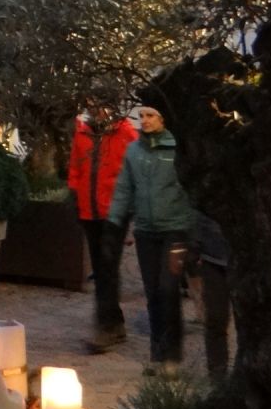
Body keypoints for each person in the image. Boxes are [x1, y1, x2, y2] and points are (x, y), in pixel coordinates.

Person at [105, 95, 196, 375]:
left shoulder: (177, 148)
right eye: (141, 115)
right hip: (146, 231)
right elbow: (124, 188)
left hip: (175, 230)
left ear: (163, 118)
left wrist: (193, 225)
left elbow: (191, 188)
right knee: (153, 294)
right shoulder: (134, 151)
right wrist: (114, 222)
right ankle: (157, 355)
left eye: (150, 115)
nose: (144, 120)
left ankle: (173, 356)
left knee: (168, 290)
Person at [67, 104, 139, 353]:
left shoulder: (125, 133)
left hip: (114, 213)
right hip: (90, 211)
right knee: (101, 270)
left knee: (107, 269)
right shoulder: (83, 133)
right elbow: (76, 168)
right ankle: (115, 324)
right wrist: (76, 199)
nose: (98, 110)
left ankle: (106, 326)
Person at [194, 211, 233, 382]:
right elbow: (199, 212)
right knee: (216, 318)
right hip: (212, 257)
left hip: (244, 258)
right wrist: (194, 245)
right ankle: (217, 375)